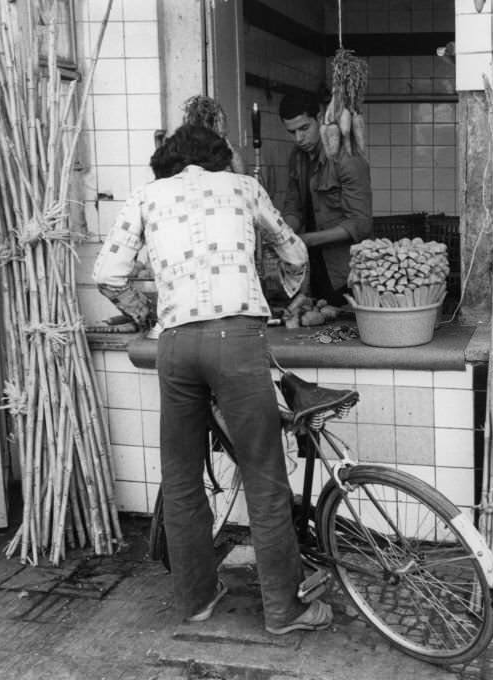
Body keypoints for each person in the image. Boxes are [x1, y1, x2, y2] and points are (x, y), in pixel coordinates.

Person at [92, 124, 332, 634]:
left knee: (180, 478)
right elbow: (294, 252)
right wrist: (290, 299)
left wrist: (142, 311)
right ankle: (284, 611)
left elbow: (108, 272)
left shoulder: (146, 196)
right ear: (220, 157)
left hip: (175, 346)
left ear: (168, 160)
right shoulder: (244, 188)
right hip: (237, 341)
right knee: (265, 477)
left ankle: (196, 601)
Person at [279, 91, 372, 308]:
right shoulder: (297, 157)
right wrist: (283, 234)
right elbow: (293, 207)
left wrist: (306, 240)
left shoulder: (347, 158)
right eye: (292, 132)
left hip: (345, 270)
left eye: (304, 128)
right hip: (310, 268)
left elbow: (360, 224)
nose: (299, 139)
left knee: (343, 331)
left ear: (319, 119)